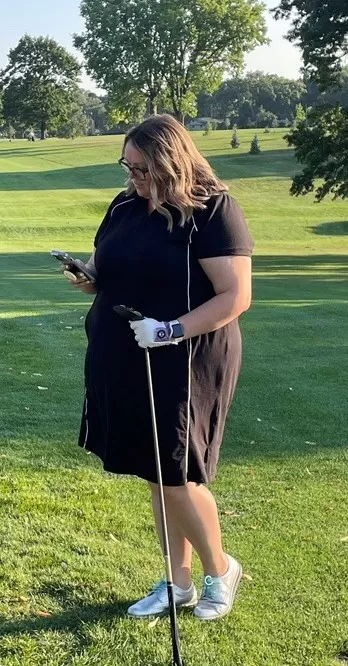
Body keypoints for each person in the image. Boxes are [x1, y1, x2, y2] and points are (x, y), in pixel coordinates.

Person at [64, 114, 253, 621]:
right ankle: (177, 582)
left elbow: (235, 296)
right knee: (155, 470)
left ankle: (221, 570)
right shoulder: (126, 204)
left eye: (144, 169)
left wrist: (169, 329)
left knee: (177, 469)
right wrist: (88, 278)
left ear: (173, 161)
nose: (133, 178)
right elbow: (107, 267)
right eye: (127, 166)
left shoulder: (213, 210)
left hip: (186, 355)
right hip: (127, 352)